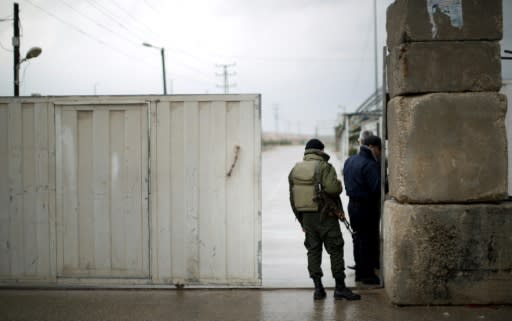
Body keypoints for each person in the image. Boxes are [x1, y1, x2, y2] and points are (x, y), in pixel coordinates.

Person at [288, 138, 361, 301]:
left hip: (307, 218)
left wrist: (301, 220)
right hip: (326, 216)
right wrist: (339, 184)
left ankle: (318, 289)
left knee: (313, 251)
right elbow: (333, 189)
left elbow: (292, 199)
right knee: (335, 248)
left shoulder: (295, 170)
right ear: (320, 151)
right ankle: (340, 288)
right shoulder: (324, 167)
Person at [342, 135, 382, 285]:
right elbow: (376, 188)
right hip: (366, 205)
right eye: (379, 150)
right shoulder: (370, 164)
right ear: (372, 147)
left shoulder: (349, 160)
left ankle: (360, 271)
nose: (379, 153)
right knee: (367, 239)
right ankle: (367, 274)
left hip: (352, 205)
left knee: (357, 238)